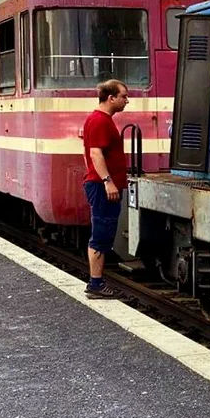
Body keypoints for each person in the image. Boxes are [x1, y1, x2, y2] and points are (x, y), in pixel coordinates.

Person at [82, 79, 130, 299]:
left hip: (101, 184)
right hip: (103, 187)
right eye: (123, 97)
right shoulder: (100, 121)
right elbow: (95, 154)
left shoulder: (100, 119)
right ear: (111, 98)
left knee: (104, 232)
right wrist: (107, 181)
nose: (126, 101)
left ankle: (97, 283)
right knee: (101, 235)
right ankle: (96, 285)